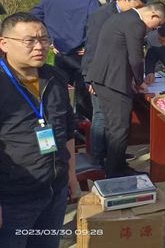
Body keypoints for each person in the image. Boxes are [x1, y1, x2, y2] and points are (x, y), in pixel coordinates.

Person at [0, 13, 81, 248]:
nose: (39, 47)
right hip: (13, 198)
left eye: (44, 39)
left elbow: (67, 131)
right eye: (29, 41)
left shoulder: (55, 77)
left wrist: (71, 176)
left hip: (54, 190)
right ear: (4, 43)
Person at [86, 3, 165, 177]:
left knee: (115, 125)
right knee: (120, 128)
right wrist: (139, 81)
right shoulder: (134, 23)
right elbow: (136, 57)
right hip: (113, 81)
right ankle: (115, 171)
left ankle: (117, 163)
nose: (154, 30)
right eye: (157, 25)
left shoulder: (122, 17)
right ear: (153, 15)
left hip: (105, 77)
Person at [81, 0, 146, 167]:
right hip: (99, 74)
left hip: (110, 75)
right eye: (136, 6)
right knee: (101, 116)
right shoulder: (103, 15)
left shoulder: (126, 18)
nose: (137, 11)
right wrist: (90, 77)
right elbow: (94, 47)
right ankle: (97, 158)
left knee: (110, 120)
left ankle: (112, 155)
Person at [31, 0, 100, 120]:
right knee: (82, 93)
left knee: (59, 89)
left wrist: (48, 39)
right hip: (81, 54)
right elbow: (97, 26)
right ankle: (83, 125)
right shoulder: (91, 1)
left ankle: (62, 120)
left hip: (59, 51)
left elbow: (33, 17)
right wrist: (89, 47)